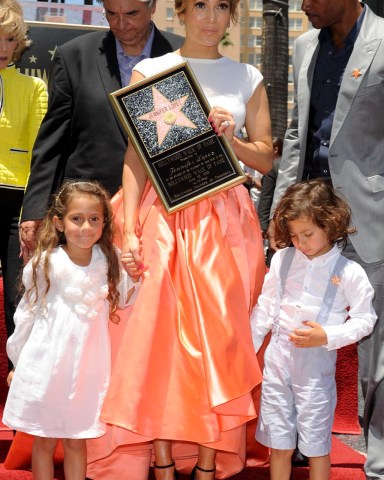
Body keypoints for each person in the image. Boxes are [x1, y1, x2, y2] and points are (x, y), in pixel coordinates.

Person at [98, 0, 273, 478]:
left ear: (232, 15)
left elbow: (263, 160)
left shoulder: (247, 77)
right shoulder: (153, 70)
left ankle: (208, 463)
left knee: (218, 339)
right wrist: (128, 223)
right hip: (162, 215)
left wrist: (231, 138)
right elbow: (136, 156)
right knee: (156, 337)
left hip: (226, 222)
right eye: (199, 5)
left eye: (221, 7)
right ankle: (160, 459)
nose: (210, 16)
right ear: (179, 13)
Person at [268, 2, 384, 478]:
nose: (302, 6)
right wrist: (281, 214)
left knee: (376, 350)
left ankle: (378, 460)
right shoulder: (302, 46)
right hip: (307, 224)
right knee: (296, 330)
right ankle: (299, 440)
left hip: (372, 218)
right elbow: (297, 133)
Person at [18, 0, 183, 262]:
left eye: (131, 14)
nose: (120, 24)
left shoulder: (182, 54)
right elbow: (52, 141)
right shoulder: (74, 55)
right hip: (86, 216)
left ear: (152, 7)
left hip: (161, 212)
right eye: (111, 14)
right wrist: (34, 210)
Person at [2, 180, 139, 480]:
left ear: (104, 222)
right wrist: (18, 361)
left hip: (86, 371)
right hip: (47, 366)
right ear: (59, 223)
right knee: (45, 440)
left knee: (77, 440)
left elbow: (129, 295)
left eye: (94, 219)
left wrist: (134, 272)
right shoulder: (46, 262)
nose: (86, 227)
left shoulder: (109, 260)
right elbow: (27, 314)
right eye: (76, 219)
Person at [252, 179, 376, 480]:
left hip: (315, 374)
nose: (300, 242)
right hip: (277, 367)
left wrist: (328, 335)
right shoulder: (282, 260)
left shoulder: (349, 272)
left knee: (317, 446)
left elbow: (365, 319)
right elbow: (264, 310)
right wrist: (247, 349)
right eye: (293, 235)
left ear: (330, 224)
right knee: (279, 443)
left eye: (307, 234)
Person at [0, 0, 47, 349]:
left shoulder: (35, 89)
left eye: (10, 39)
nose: (3, 48)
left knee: (19, 302)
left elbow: (41, 154)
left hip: (19, 206)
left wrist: (35, 212)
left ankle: (18, 382)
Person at [257, 137, 283, 266]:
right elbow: (267, 195)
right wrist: (263, 225)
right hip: (278, 222)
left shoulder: (277, 164)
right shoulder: (275, 165)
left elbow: (266, 195)